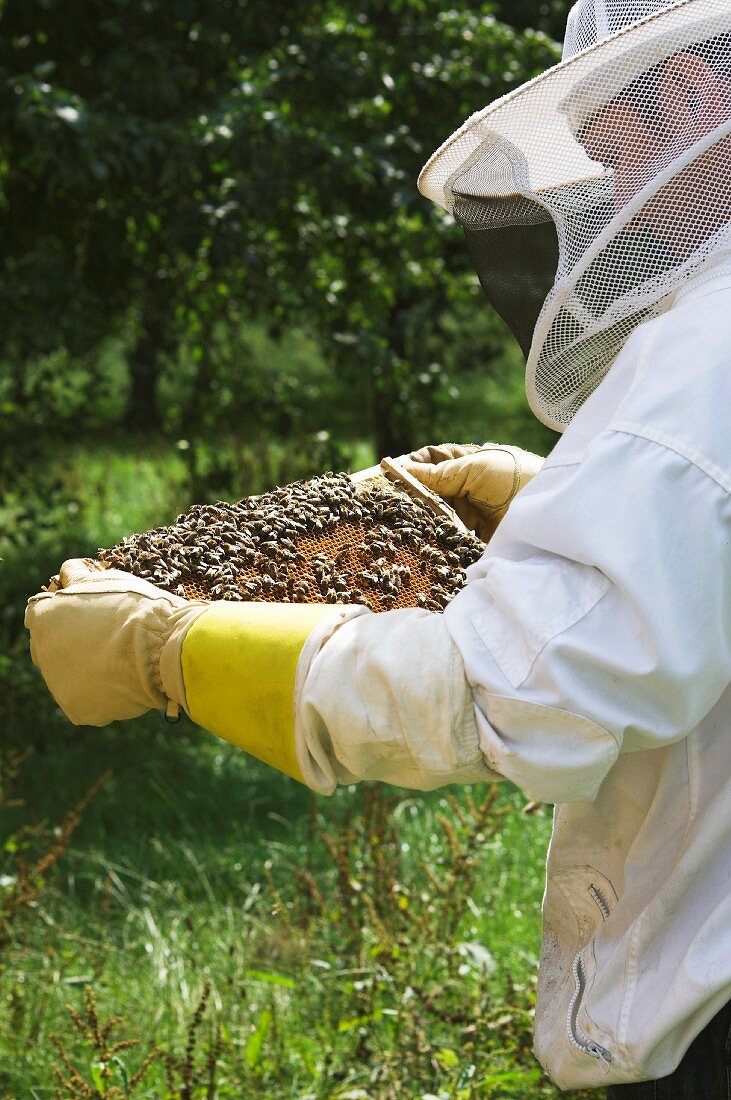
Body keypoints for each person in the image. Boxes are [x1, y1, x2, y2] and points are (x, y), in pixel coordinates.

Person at [25, 0, 731, 1093]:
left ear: (691, 94)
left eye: (607, 120)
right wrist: (565, 503)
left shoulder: (704, 355)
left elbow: (516, 695)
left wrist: (177, 652)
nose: (596, 162)